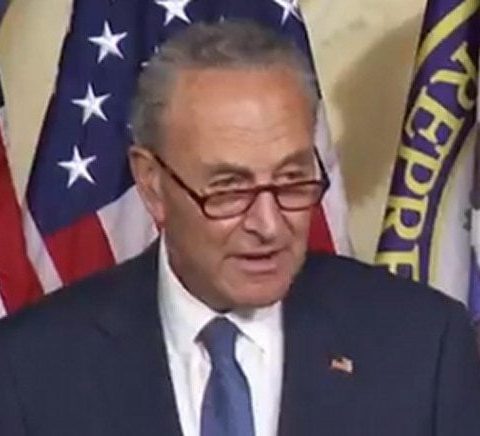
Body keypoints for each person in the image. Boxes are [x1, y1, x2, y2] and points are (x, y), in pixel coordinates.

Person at [0, 20, 479, 436]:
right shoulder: (31, 366)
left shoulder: (422, 345)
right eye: (228, 189)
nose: (269, 226)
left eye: (292, 180)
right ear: (152, 185)